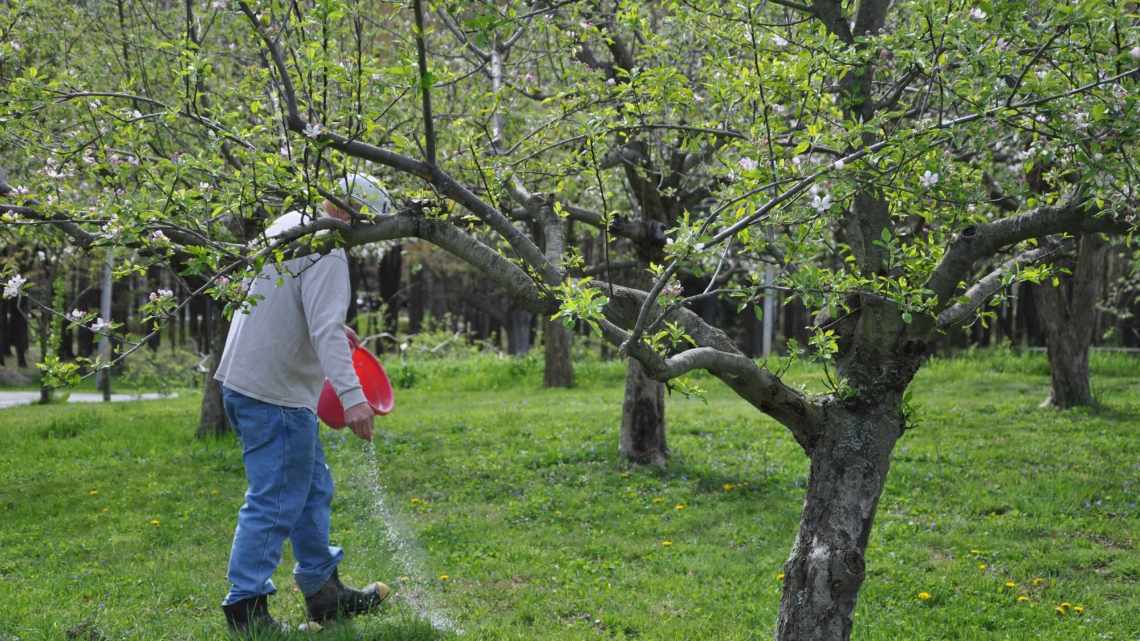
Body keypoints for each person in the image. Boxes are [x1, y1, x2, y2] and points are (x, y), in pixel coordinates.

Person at [214, 173, 393, 633]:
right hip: (274, 394)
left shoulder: (289, 225)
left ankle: (323, 592)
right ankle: (246, 609)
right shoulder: (327, 248)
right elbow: (325, 330)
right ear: (354, 215)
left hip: (249, 382)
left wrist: (331, 328)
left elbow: (292, 307)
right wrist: (354, 400)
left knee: (311, 490)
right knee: (274, 501)